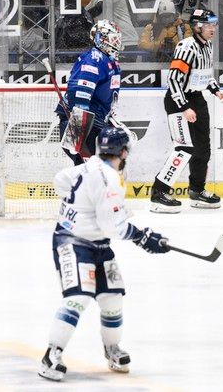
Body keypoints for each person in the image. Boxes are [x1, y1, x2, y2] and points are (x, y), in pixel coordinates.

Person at [40, 125, 168, 381]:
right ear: (123, 152)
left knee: (112, 297)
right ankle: (51, 355)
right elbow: (113, 226)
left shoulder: (88, 166)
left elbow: (61, 180)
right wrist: (143, 237)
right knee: (78, 297)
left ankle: (112, 350)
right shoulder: (109, 177)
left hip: (97, 244)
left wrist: (77, 206)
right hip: (73, 243)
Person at [149, 7, 223, 212]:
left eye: (214, 24)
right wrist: (184, 107)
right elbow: (174, 80)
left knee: (203, 149)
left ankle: (196, 191)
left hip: (197, 99)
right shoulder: (186, 47)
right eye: (209, 25)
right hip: (178, 101)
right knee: (184, 148)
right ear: (198, 27)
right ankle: (159, 192)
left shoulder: (208, 46)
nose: (213, 28)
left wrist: (216, 90)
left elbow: (204, 74)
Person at [56, 19, 124, 165]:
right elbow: (79, 92)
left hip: (95, 122)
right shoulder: (93, 59)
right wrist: (76, 132)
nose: (117, 44)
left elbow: (110, 98)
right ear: (101, 39)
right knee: (88, 169)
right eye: (114, 40)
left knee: (98, 168)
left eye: (118, 40)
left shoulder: (111, 62)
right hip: (80, 123)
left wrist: (111, 118)